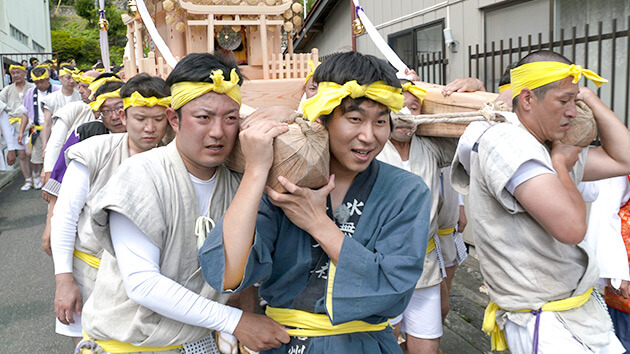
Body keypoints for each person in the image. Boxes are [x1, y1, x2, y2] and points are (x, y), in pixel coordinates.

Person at [200, 51, 432, 353]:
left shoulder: (406, 190)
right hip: (284, 343)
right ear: (322, 117)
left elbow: (392, 290)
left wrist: (317, 223)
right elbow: (227, 272)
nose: (369, 136)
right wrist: (256, 172)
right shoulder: (281, 184)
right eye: (355, 119)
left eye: (380, 121)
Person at [79, 53, 289, 353]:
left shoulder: (238, 182)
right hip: (129, 345)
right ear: (174, 119)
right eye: (203, 117)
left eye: (230, 118)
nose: (218, 131)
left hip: (198, 341)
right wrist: (236, 322)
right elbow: (142, 283)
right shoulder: (141, 174)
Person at [451, 50, 630, 353]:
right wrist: (561, 166)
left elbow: (624, 159)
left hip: (573, 311)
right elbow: (571, 229)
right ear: (528, 99)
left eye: (576, 100)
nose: (573, 111)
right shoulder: (506, 142)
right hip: (544, 321)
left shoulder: (546, 144)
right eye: (563, 101)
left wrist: (591, 98)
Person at [50, 73, 172, 346]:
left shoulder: (174, 159)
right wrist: (64, 280)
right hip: (90, 273)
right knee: (91, 345)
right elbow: (65, 217)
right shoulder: (93, 152)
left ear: (171, 118)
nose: (149, 128)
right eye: (140, 119)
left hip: (150, 281)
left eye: (158, 119)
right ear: (124, 116)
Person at [376, 79, 457, 353]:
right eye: (399, 107)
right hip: (380, 266)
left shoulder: (430, 147)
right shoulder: (368, 148)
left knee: (427, 345)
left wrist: (471, 89)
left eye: (414, 107)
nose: (406, 115)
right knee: (386, 341)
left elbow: (467, 134)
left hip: (426, 264)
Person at [41, 78, 125, 256]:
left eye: (120, 108)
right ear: (97, 112)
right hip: (90, 229)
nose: (115, 116)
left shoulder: (147, 134)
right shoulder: (87, 133)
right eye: (107, 111)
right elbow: (61, 182)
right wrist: (50, 225)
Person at [17, 66, 60, 190]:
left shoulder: (57, 90)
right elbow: (25, 113)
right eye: (36, 82)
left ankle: (48, 176)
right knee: (30, 152)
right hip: (36, 127)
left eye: (42, 82)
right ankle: (35, 174)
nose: (39, 85)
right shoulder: (31, 92)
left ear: (48, 79)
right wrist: (21, 131)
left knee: (51, 154)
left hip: (54, 127)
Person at [0, 64, 34, 174]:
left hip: (30, 123)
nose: (16, 75)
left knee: (32, 152)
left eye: (18, 72)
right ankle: (28, 179)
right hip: (13, 124)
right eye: (13, 73)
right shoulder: (7, 90)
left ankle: (36, 175)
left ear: (24, 73)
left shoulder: (32, 87)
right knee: (22, 154)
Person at [41, 64, 81, 156]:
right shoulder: (50, 99)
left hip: (76, 139)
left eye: (74, 78)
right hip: (56, 140)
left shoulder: (81, 97)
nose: (72, 81)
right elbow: (47, 123)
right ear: (60, 78)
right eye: (68, 78)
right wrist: (45, 146)